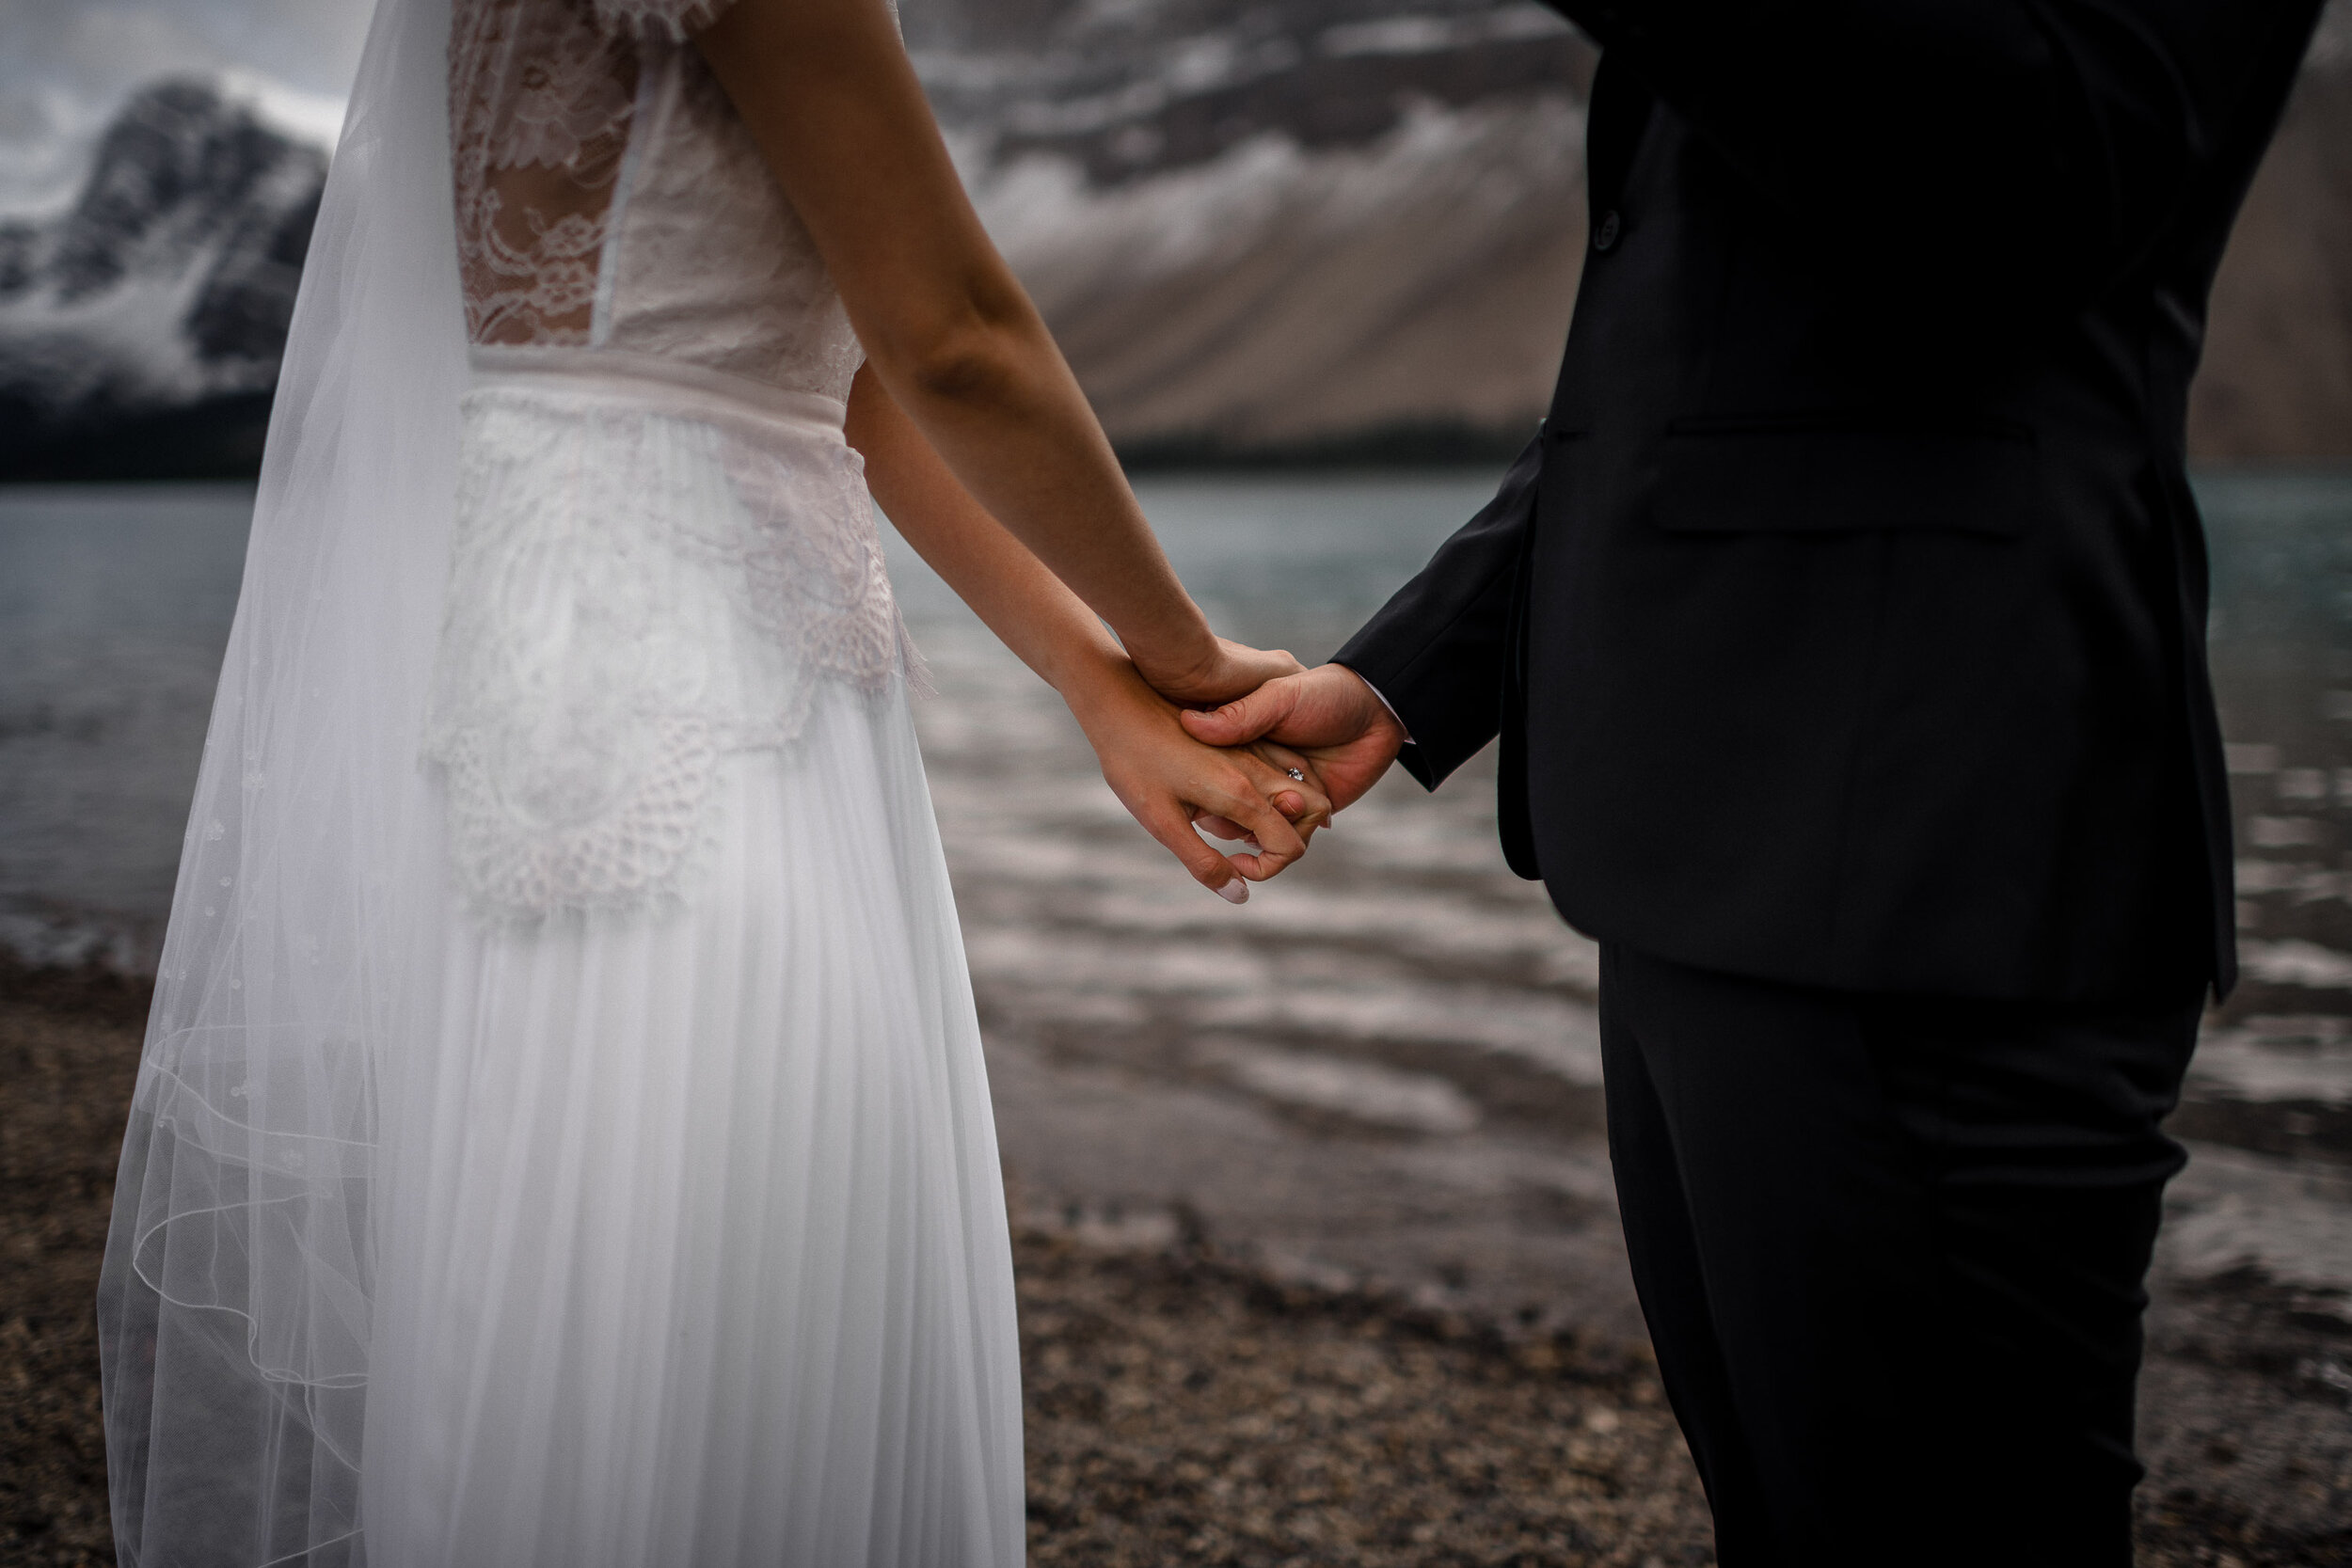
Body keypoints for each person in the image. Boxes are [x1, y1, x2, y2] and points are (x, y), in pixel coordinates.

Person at [98, 0, 1322, 1561]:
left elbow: (851, 366)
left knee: (571, 1273)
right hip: (700, 720)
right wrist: (1192, 660)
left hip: (555, 694)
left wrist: (1098, 681)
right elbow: (954, 333)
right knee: (718, 1261)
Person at [1189, 3, 2331, 1562]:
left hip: (1935, 851)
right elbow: (1698, 347)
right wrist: (1419, 667)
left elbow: (2045, 186)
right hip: (1697, 848)